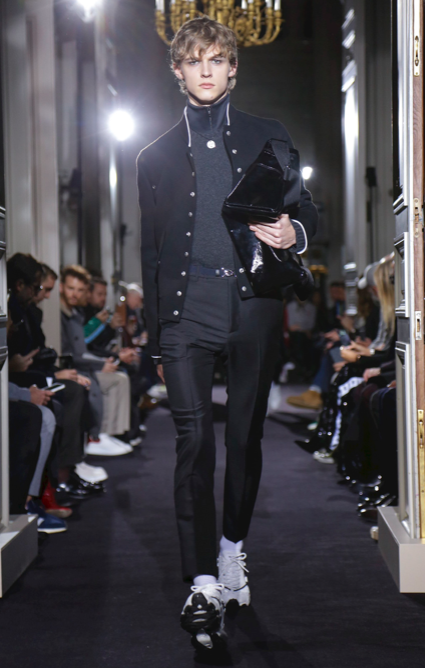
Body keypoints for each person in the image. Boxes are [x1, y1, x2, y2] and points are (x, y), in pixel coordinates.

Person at [137, 16, 318, 648]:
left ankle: (232, 549)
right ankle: (203, 581)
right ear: (178, 70)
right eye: (195, 61)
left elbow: (306, 207)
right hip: (186, 310)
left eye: (217, 59)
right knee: (193, 443)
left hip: (253, 305)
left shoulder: (270, 134)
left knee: (243, 437)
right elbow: (152, 254)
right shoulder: (153, 156)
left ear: (233, 68)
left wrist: (294, 231)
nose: (206, 70)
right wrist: (155, 339)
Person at [60, 265, 133, 456]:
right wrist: (105, 361)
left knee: (120, 376)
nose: (75, 294)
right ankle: (97, 435)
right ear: (61, 287)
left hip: (83, 365)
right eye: (71, 288)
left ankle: (106, 434)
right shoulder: (68, 315)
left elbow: (83, 348)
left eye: (80, 290)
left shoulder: (76, 314)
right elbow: (82, 348)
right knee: (107, 380)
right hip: (73, 368)